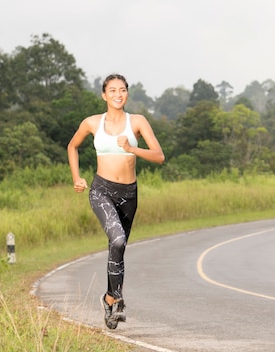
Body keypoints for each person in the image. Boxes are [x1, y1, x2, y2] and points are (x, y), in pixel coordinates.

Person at [67, 74, 165, 329]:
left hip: (129, 194)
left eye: (122, 90)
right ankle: (118, 299)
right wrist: (77, 177)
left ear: (127, 94)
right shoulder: (91, 123)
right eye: (112, 90)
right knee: (118, 239)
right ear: (104, 95)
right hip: (102, 190)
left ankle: (110, 299)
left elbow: (159, 156)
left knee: (118, 248)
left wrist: (133, 149)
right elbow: (72, 146)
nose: (118, 94)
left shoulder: (138, 122)